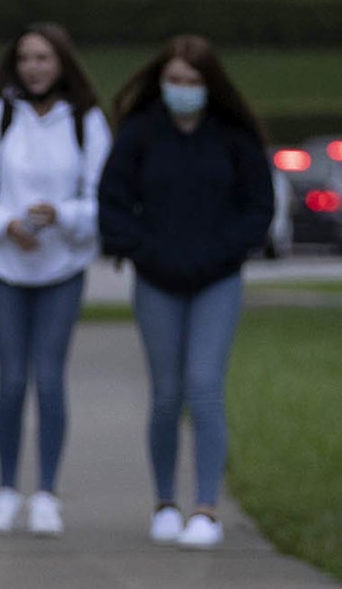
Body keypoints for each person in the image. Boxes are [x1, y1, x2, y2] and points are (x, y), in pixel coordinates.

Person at [96, 34, 275, 549]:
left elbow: (257, 208)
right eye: (174, 80)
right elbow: (112, 202)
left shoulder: (234, 136)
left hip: (216, 279)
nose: (183, 90)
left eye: (193, 82)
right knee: (166, 394)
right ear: (160, 82)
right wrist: (143, 250)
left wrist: (223, 253)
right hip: (156, 280)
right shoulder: (141, 133)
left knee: (203, 386)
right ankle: (165, 502)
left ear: (211, 85)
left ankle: (206, 507)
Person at [0, 22, 109, 537]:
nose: (34, 68)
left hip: (62, 267)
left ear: (62, 62)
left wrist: (62, 214)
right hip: (5, 268)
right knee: (13, 380)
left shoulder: (86, 121)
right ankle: (6, 490)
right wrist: (5, 223)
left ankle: (46, 494)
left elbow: (103, 199)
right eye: (25, 59)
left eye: (43, 58)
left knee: (51, 378)